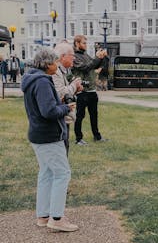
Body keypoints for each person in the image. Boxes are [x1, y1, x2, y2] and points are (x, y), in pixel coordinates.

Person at [20, 47, 78, 232]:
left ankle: (44, 215)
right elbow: (49, 111)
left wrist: (59, 106)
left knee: (46, 173)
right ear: (47, 64)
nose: (57, 64)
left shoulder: (32, 80)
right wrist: (66, 108)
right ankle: (57, 218)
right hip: (49, 136)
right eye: (54, 62)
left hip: (38, 135)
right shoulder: (43, 82)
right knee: (62, 174)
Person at [72, 35, 108, 145]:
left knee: (94, 115)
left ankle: (97, 136)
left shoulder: (86, 55)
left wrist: (102, 57)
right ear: (77, 44)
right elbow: (87, 67)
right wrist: (97, 58)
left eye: (86, 43)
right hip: (82, 90)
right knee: (80, 116)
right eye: (83, 43)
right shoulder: (75, 57)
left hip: (92, 90)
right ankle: (78, 139)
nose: (86, 45)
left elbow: (94, 65)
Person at [53, 41, 83, 153]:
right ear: (62, 56)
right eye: (72, 56)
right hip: (58, 118)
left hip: (63, 116)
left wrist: (75, 90)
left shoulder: (62, 71)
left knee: (64, 149)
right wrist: (74, 85)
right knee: (61, 152)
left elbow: (65, 96)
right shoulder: (55, 71)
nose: (74, 59)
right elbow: (60, 94)